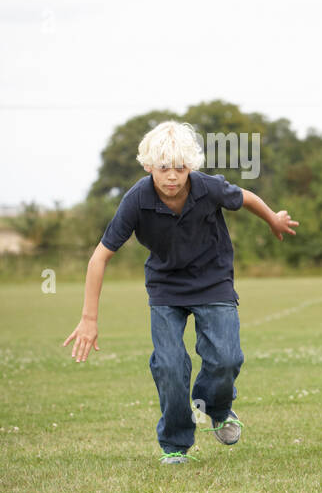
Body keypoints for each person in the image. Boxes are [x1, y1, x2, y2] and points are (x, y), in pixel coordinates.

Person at [63, 121, 298, 463]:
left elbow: (244, 197)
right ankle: (175, 444)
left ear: (191, 166)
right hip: (166, 288)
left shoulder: (207, 187)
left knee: (226, 357)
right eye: (163, 168)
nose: (172, 176)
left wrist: (273, 219)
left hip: (212, 279)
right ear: (148, 166)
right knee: (170, 367)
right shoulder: (135, 201)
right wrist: (88, 318)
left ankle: (215, 408)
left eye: (180, 168)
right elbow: (99, 257)